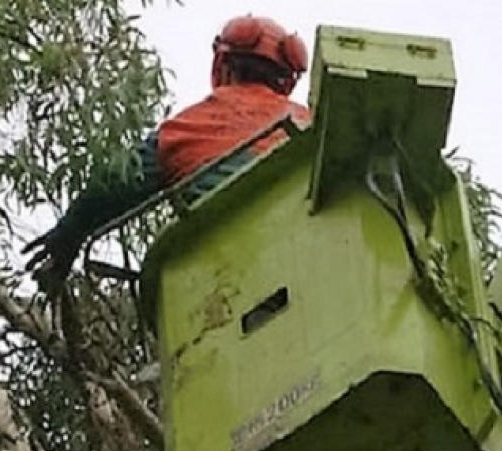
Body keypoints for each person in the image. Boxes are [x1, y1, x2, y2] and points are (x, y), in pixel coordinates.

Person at [25, 15, 311, 289]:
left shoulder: (186, 129)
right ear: (287, 80)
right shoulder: (314, 122)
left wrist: (67, 237)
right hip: (316, 256)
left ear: (223, 65)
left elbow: (113, 183)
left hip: (228, 272)